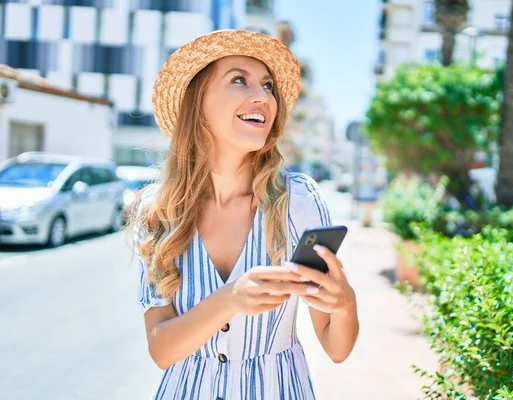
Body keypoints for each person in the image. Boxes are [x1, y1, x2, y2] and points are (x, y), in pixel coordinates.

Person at [131, 30, 359, 400]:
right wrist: (229, 299)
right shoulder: (157, 210)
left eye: (268, 86)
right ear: (198, 101)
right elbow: (161, 350)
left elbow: (337, 347)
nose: (263, 97)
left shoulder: (297, 199)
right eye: (239, 80)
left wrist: (345, 302)